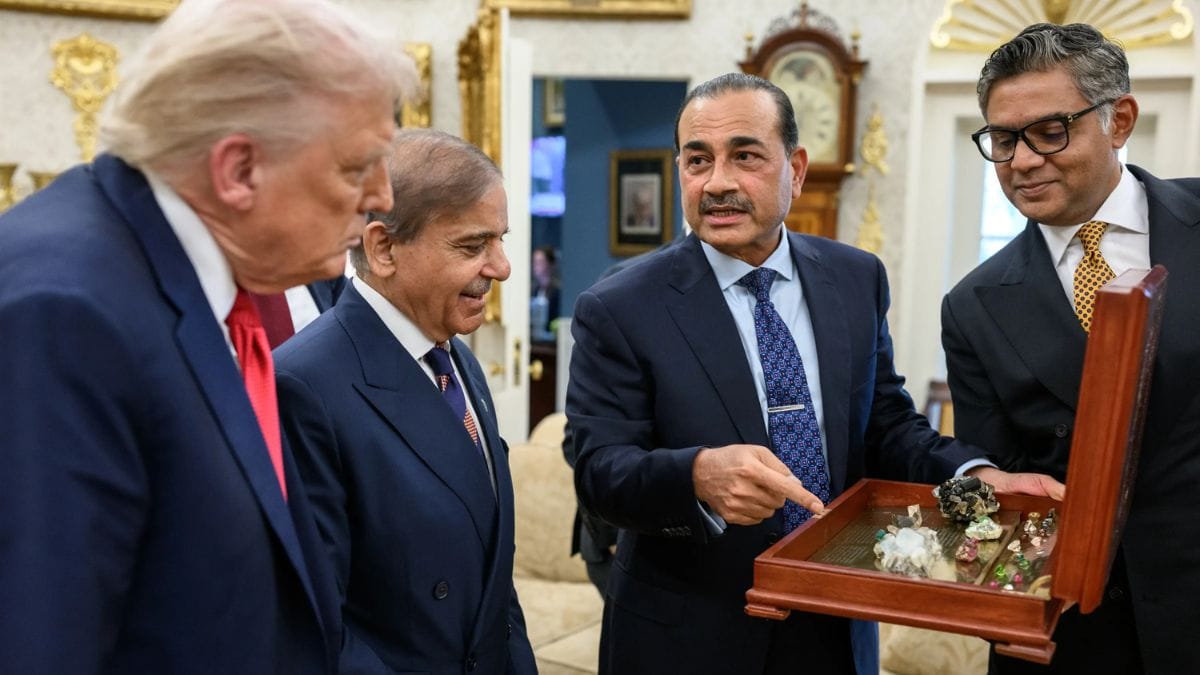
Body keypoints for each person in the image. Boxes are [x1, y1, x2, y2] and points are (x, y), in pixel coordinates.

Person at [566, 72, 1064, 675]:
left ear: (795, 169)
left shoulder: (855, 279)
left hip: (834, 620)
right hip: (689, 634)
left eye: (745, 156)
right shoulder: (620, 307)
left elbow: (884, 424)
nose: (718, 182)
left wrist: (978, 477)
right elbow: (598, 470)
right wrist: (696, 474)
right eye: (698, 160)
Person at [0, 1, 411, 673]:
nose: (383, 196)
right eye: (355, 167)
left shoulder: (188, 280)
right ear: (238, 170)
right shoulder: (66, 316)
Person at [942, 23, 1200, 674]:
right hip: (1069, 632)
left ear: (1120, 121)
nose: (1023, 160)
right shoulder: (971, 305)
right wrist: (961, 505)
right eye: (1003, 140)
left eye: (1050, 131)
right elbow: (991, 484)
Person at [274, 129, 537, 675]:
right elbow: (314, 625)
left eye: (500, 240)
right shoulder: (302, 386)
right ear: (383, 248)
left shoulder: (457, 359)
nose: (502, 267)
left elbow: (492, 586)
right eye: (472, 245)